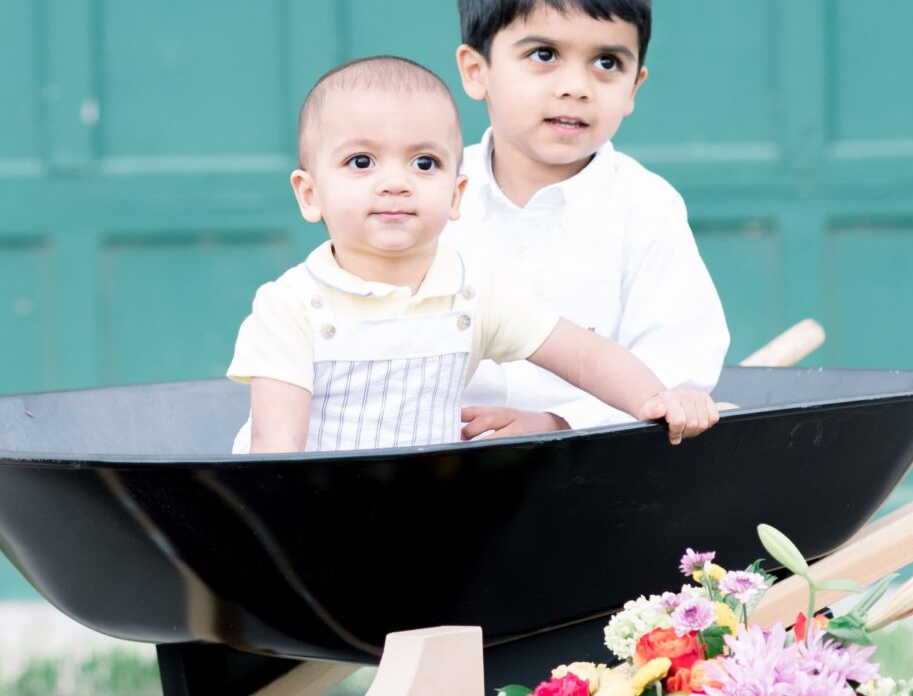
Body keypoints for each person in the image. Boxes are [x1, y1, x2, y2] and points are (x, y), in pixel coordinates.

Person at [227, 55, 719, 454]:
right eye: (361, 162)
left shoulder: (470, 293)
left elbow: (584, 356)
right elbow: (276, 449)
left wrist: (653, 398)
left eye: (425, 162)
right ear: (309, 194)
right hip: (316, 510)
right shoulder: (291, 306)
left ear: (457, 192)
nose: (396, 183)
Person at [444, 0, 729, 441]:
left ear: (634, 85)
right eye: (544, 55)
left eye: (606, 62)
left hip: (598, 466)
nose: (576, 87)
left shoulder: (644, 207)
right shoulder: (429, 196)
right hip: (437, 467)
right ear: (475, 69)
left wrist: (559, 423)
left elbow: (679, 367)